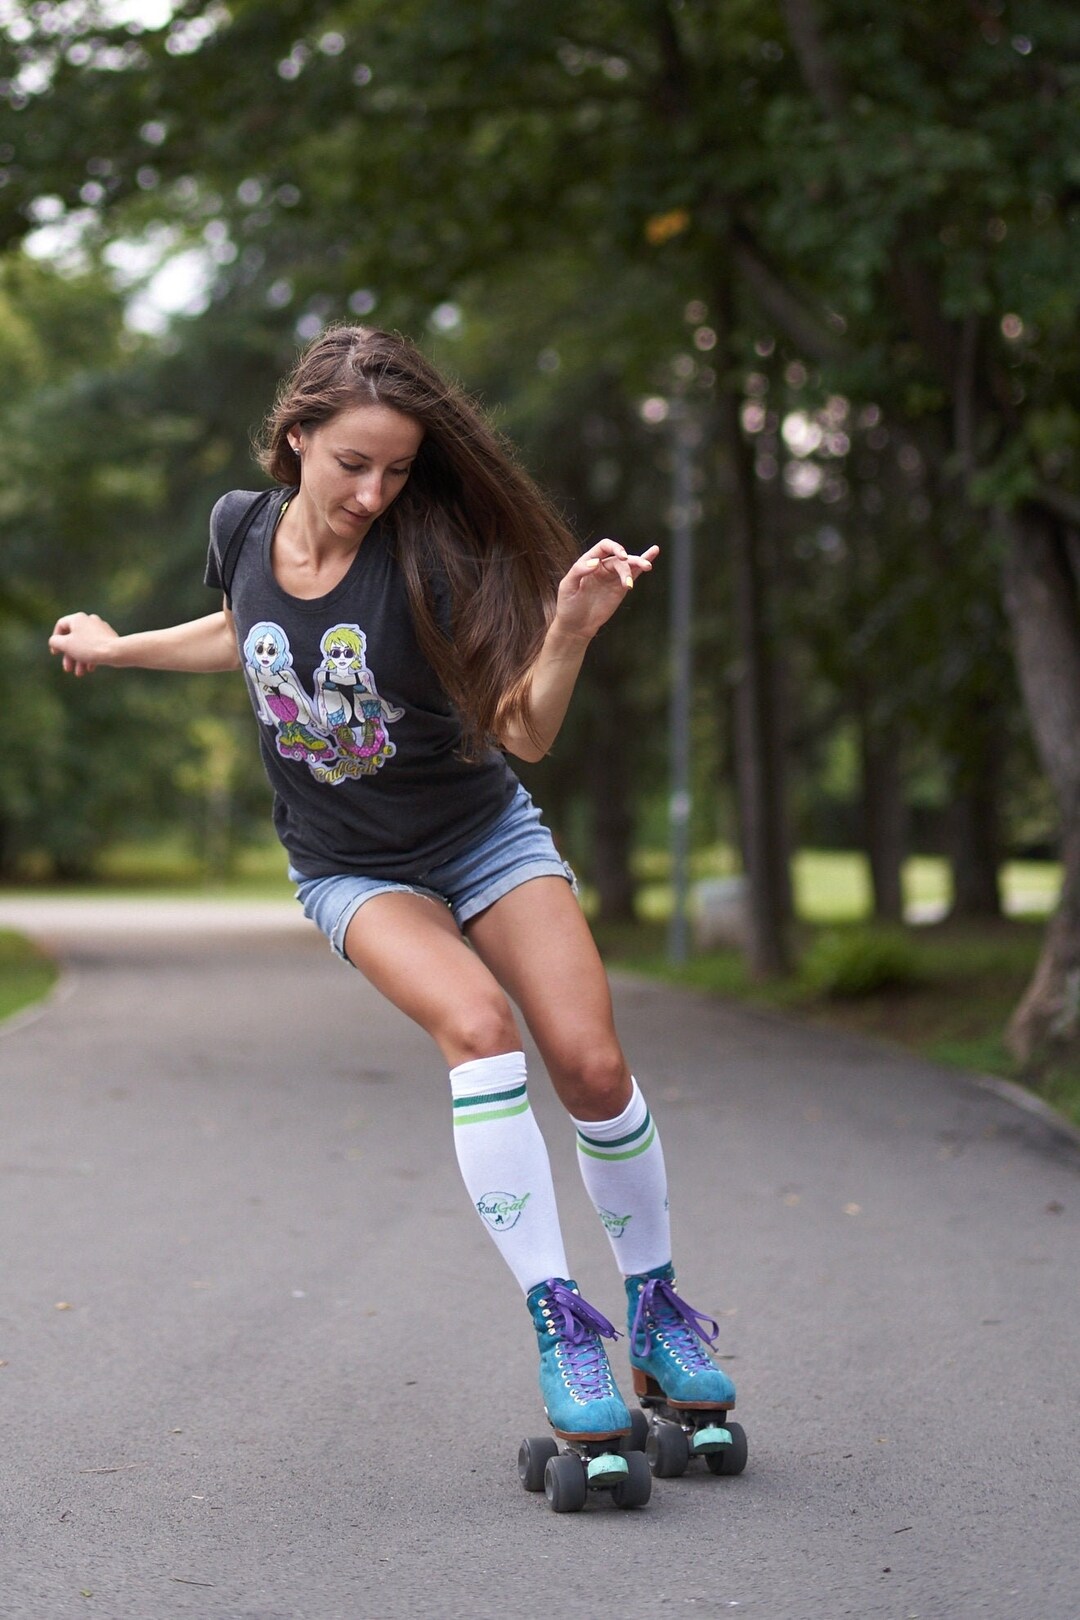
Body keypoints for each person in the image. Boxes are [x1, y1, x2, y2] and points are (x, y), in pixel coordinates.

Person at [49, 324, 736, 1459]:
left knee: (594, 1065)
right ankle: (562, 1324)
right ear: (296, 440)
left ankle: (659, 1314)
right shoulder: (240, 528)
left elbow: (525, 730)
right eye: (353, 464)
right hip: (351, 863)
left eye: (400, 469)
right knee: (479, 1030)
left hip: (480, 835)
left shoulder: (430, 561)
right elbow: (247, 631)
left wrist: (566, 632)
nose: (375, 492)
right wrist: (120, 649)